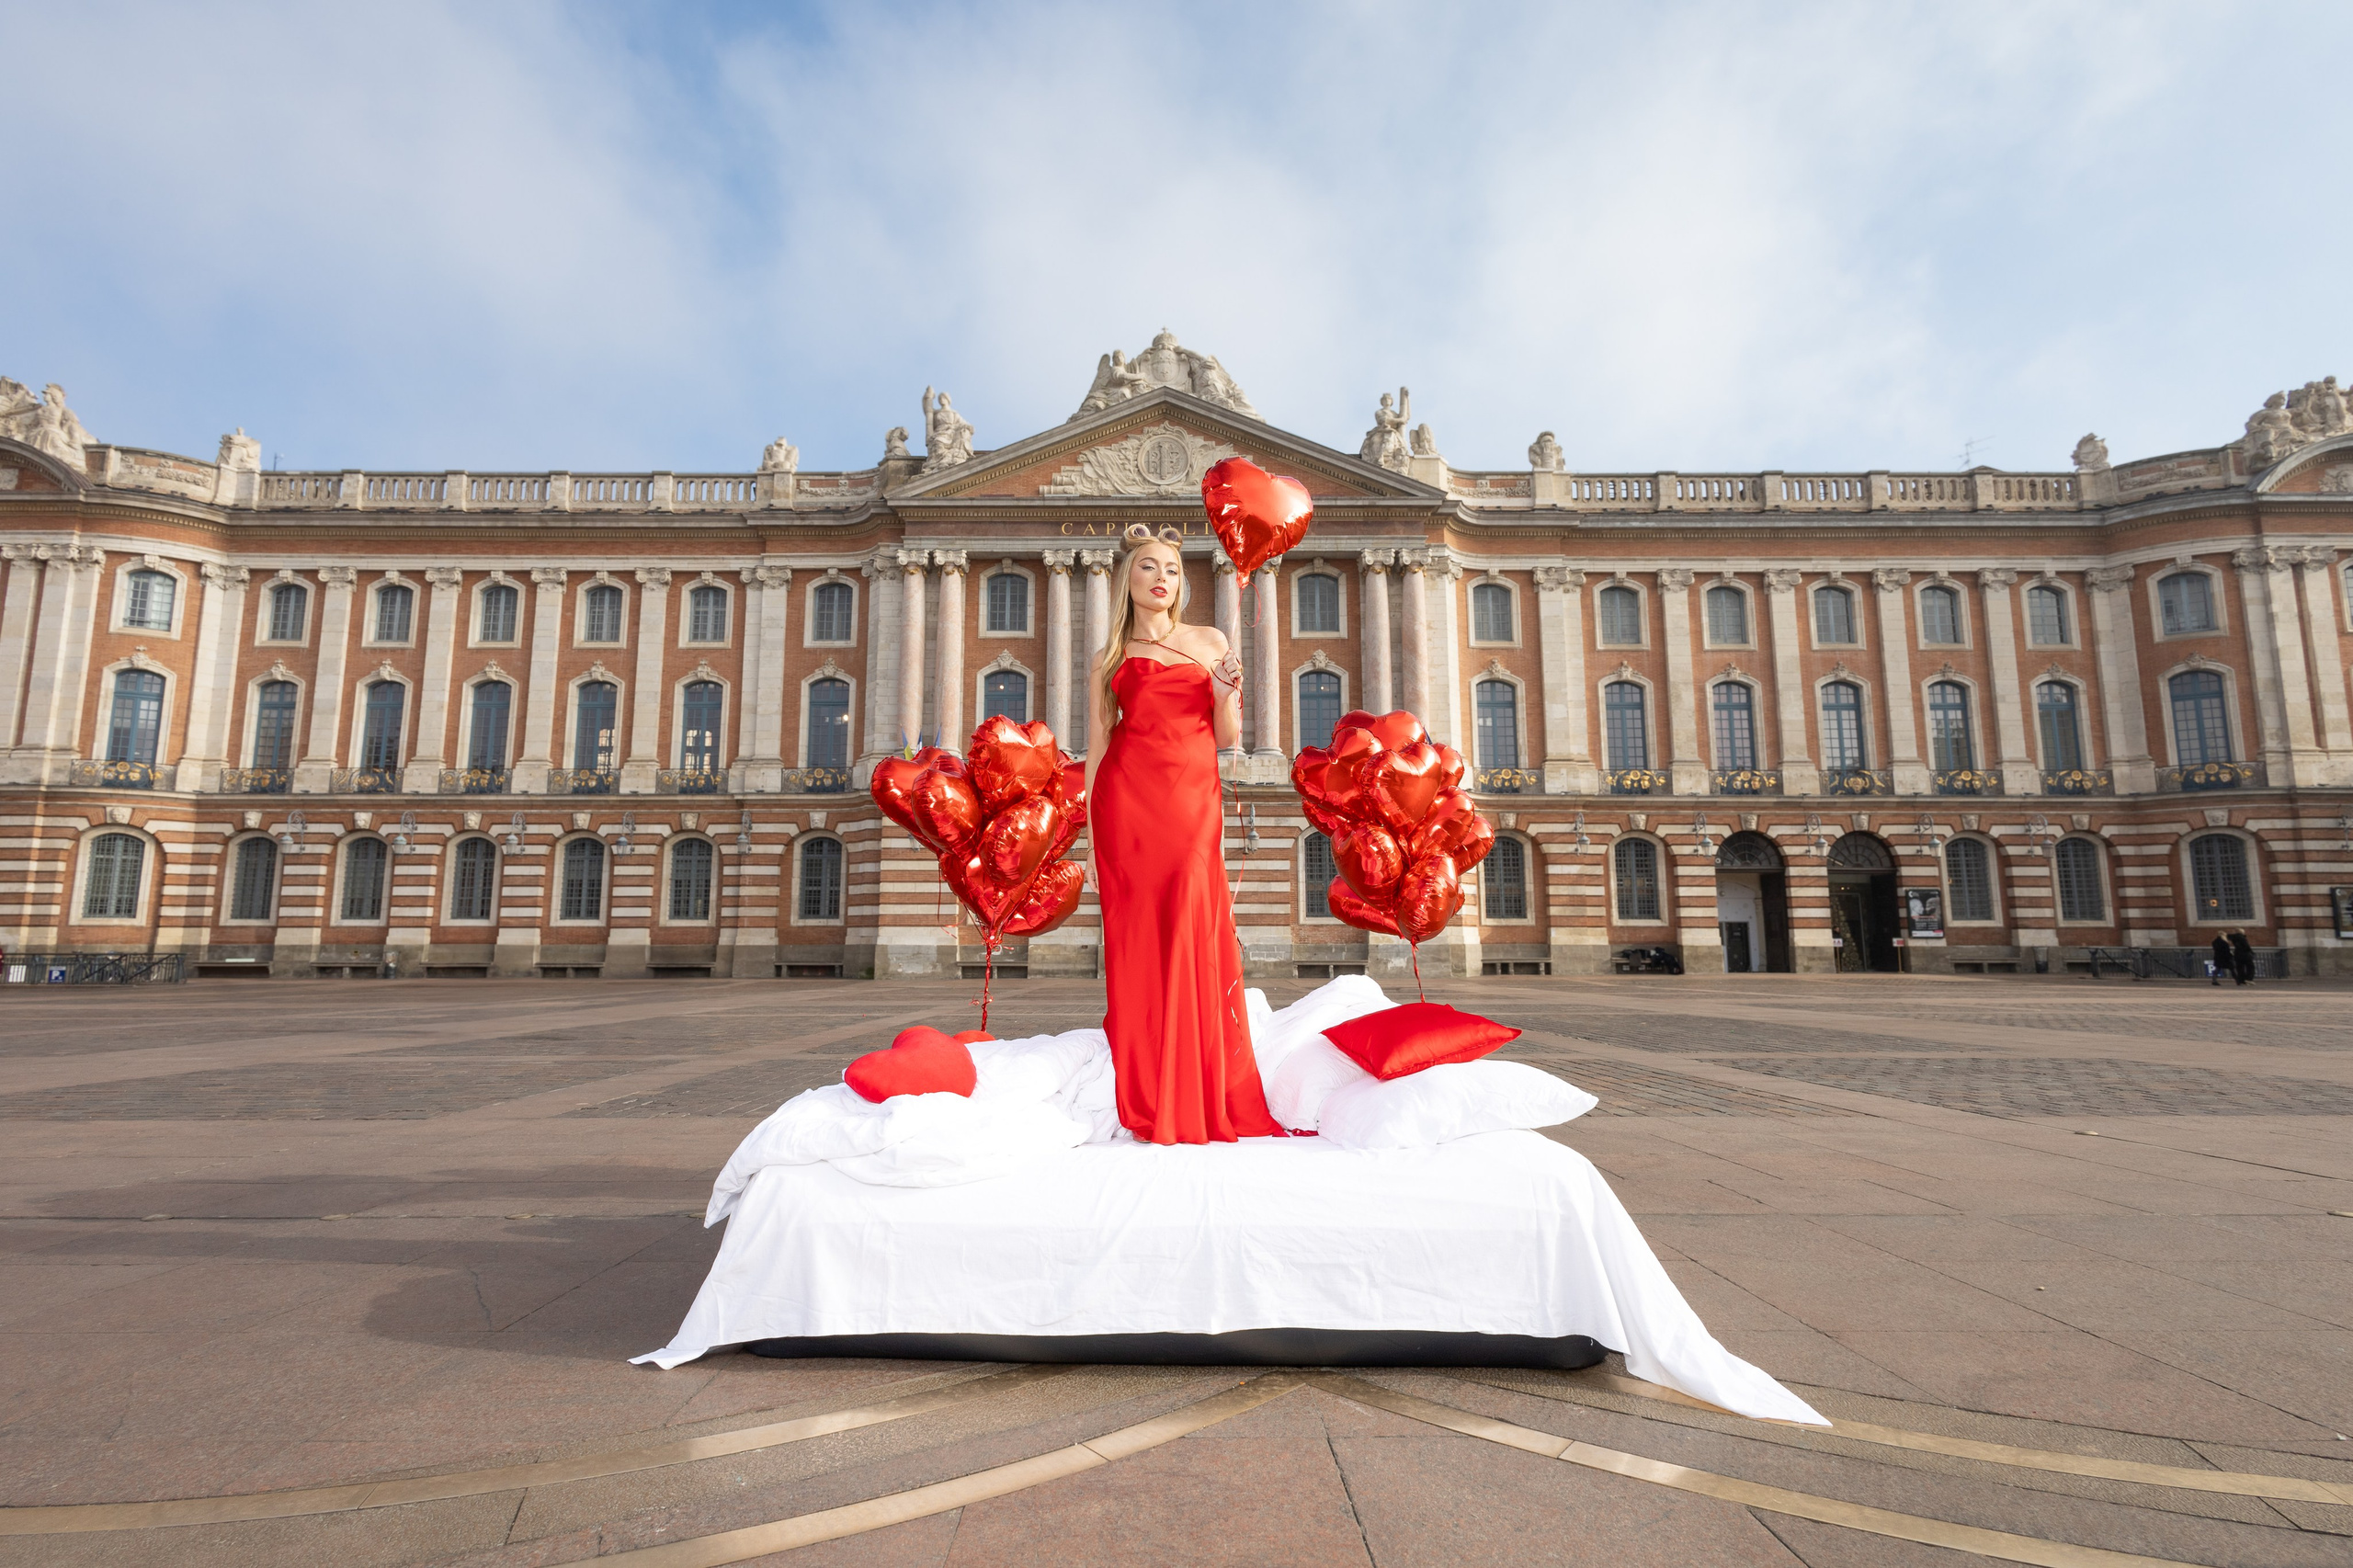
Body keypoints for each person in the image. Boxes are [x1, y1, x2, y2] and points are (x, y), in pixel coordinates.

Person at [1082, 524, 1281, 1144]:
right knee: (1138, 940)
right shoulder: (1109, 657)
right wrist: (1090, 841)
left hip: (1191, 802)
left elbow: (1226, 736)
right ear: (1129, 579)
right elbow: (1097, 749)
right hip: (1125, 804)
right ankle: (1151, 1086)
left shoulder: (1210, 640)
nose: (1161, 577)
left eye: (1171, 568)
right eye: (1148, 566)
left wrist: (1223, 694)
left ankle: (1195, 1084)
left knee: (1192, 919)